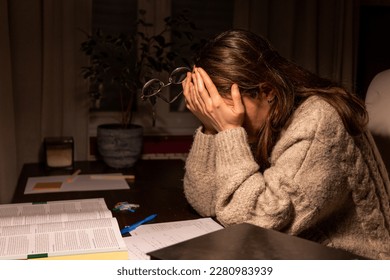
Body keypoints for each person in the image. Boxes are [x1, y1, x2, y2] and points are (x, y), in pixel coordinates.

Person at [182, 29, 390, 259]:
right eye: (214, 111)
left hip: (353, 261)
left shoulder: (318, 121)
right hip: (296, 252)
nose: (228, 118)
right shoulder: (265, 119)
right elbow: (207, 202)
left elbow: (253, 224)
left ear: (267, 91)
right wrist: (211, 127)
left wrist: (230, 131)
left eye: (229, 109)